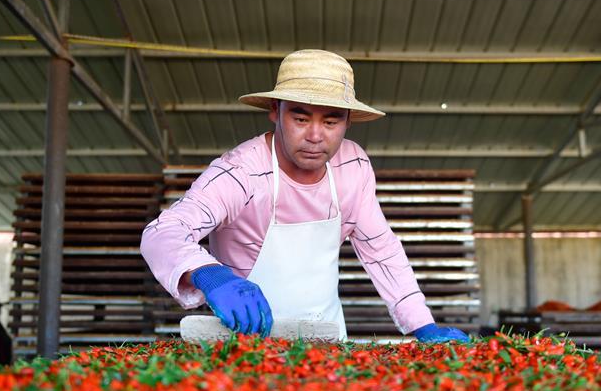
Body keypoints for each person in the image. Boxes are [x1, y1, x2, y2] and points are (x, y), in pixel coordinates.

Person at [140, 49, 469, 344]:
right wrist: (211, 275)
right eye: (299, 118)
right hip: (245, 345)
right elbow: (163, 232)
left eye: (330, 121)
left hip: (326, 341)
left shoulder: (353, 167)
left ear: (347, 121)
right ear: (275, 111)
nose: (315, 136)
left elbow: (380, 249)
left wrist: (420, 322)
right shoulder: (241, 172)